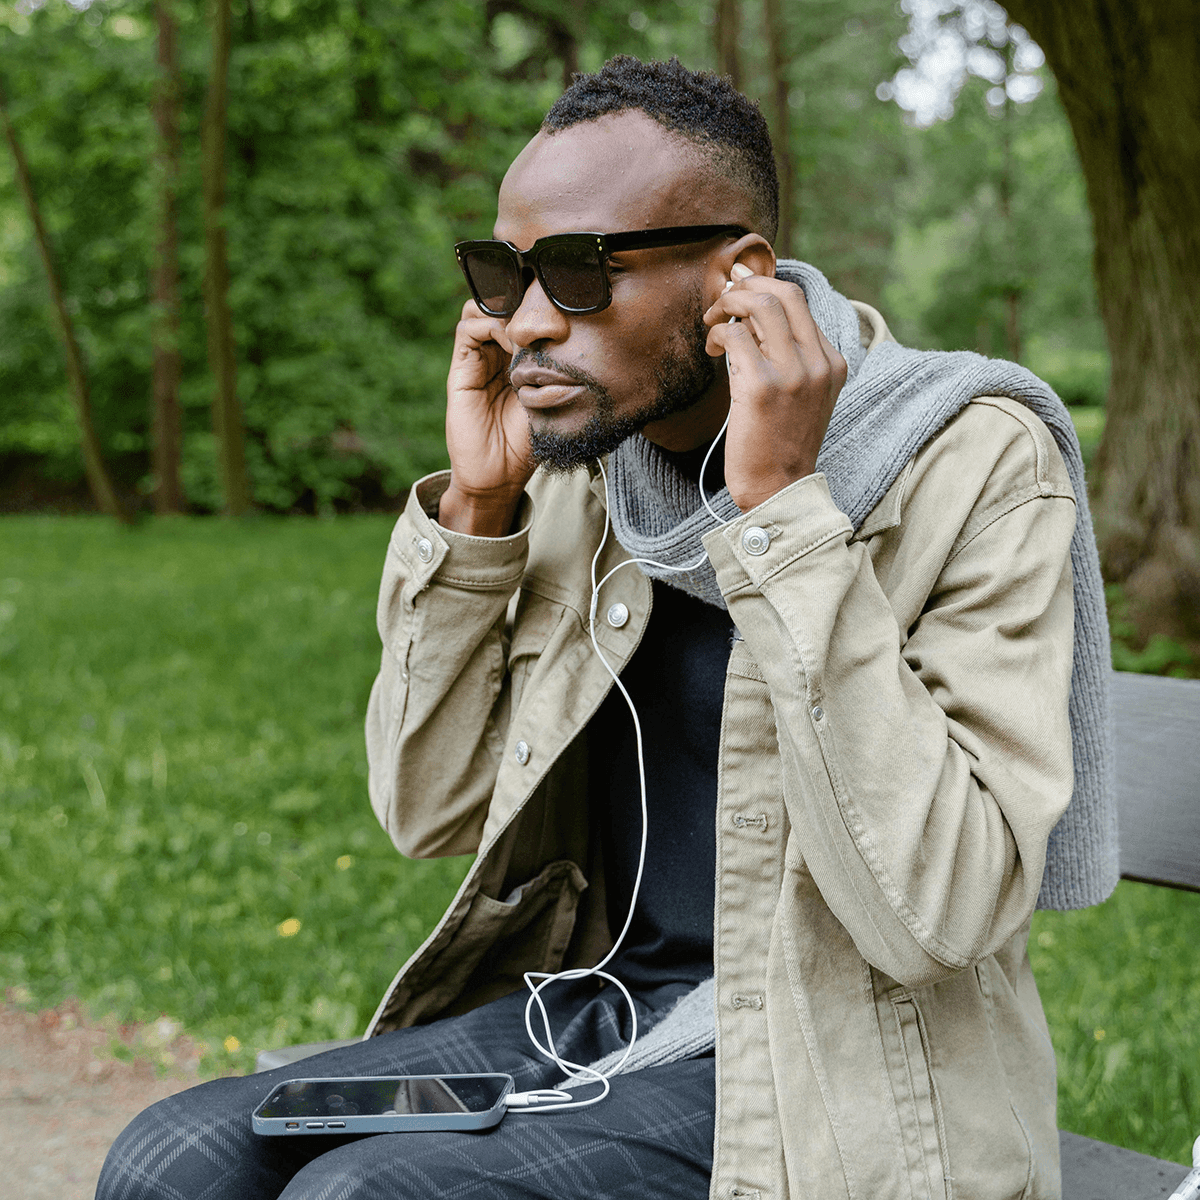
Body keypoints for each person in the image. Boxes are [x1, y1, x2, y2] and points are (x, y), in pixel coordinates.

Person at [97, 56, 1116, 1200]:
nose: (524, 324)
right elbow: (429, 811)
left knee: (362, 1198)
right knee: (168, 1162)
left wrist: (781, 514)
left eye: (578, 274)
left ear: (741, 279)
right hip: (597, 1011)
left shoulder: (970, 460)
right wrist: (477, 516)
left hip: (834, 1069)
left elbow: (942, 912)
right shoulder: (594, 467)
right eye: (503, 273)